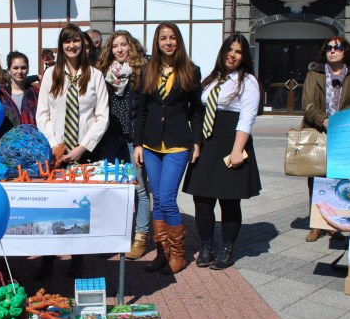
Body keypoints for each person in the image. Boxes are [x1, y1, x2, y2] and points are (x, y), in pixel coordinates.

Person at [36, 23, 110, 279]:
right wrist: (56, 143)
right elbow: (42, 113)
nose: (72, 45)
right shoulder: (50, 75)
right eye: (67, 41)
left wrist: (81, 148)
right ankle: (47, 259)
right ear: (61, 45)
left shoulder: (96, 76)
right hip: (55, 151)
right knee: (52, 208)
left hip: (83, 152)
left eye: (76, 41)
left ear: (83, 44)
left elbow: (102, 117)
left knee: (79, 209)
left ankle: (77, 260)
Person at [183, 34, 261, 270]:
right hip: (208, 143)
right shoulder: (212, 79)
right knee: (202, 200)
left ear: (244, 56)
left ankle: (227, 250)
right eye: (229, 49)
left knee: (229, 201)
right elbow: (199, 109)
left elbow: (247, 119)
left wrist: (238, 150)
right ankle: (207, 247)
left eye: (238, 51)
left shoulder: (248, 81)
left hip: (231, 142)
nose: (233, 54)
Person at [133, 22, 203, 275]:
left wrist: (196, 142)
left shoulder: (190, 71)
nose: (168, 42)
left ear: (178, 41)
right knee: (156, 200)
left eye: (172, 38)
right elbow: (141, 110)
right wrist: (138, 143)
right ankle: (162, 253)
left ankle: (177, 254)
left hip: (177, 144)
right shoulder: (147, 71)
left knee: (167, 198)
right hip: (151, 144)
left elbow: (196, 111)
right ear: (157, 42)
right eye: (163, 38)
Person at [301, 35, 350, 242]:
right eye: (329, 47)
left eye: (337, 47)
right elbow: (308, 103)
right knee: (317, 178)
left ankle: (334, 224)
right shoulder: (315, 73)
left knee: (339, 177)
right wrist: (324, 121)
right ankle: (316, 224)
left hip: (345, 132)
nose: (332, 50)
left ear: (345, 50)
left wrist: (340, 119)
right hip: (319, 130)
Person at [97, 30, 152, 260]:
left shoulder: (141, 71)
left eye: (124, 44)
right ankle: (114, 237)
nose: (119, 49)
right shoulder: (104, 73)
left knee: (138, 186)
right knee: (114, 187)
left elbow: (143, 109)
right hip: (111, 137)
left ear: (131, 47)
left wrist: (140, 142)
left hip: (133, 137)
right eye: (115, 46)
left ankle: (140, 237)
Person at [0, 50, 39, 129]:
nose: (19, 71)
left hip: (32, 139)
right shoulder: (1, 94)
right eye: (15, 68)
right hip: (7, 139)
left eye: (23, 68)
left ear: (28, 69)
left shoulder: (35, 93)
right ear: (9, 70)